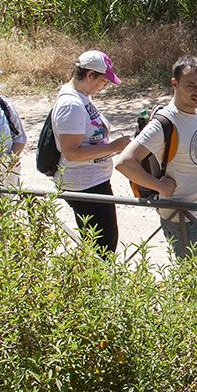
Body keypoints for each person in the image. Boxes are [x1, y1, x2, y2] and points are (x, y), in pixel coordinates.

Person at [116, 56, 197, 265]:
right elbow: (124, 162)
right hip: (183, 220)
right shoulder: (164, 123)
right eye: (191, 85)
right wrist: (159, 185)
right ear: (174, 83)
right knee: (193, 290)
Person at [51, 50, 131, 254]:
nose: (104, 86)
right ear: (89, 75)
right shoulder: (71, 104)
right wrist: (114, 147)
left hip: (93, 182)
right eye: (104, 81)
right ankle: (99, 284)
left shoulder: (81, 97)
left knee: (101, 244)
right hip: (85, 185)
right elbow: (72, 153)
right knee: (103, 248)